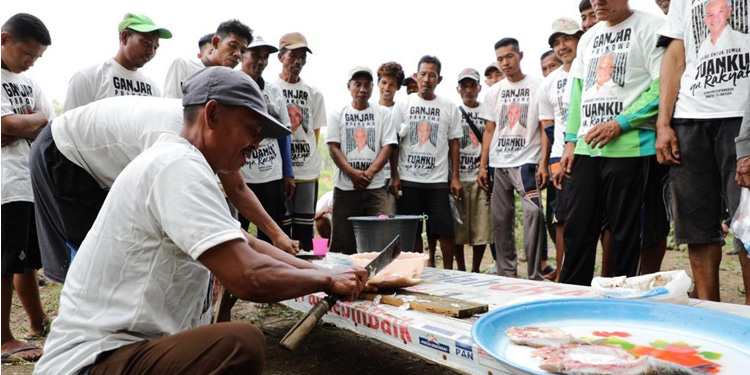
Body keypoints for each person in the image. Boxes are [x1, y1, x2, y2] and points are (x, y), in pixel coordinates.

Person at [33, 67, 366, 375]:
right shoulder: (177, 166)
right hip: (93, 361)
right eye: (252, 130)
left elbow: (248, 243)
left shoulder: (186, 165)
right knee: (239, 344)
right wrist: (326, 283)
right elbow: (247, 275)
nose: (256, 144)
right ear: (212, 114)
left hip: (127, 349)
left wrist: (325, 272)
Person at [559, 0, 664, 286]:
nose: (598, 2)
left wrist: (621, 123)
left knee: (623, 234)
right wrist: (571, 141)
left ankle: (617, 298)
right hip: (587, 148)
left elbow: (662, 85)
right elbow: (579, 90)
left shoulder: (652, 27)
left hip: (632, 147)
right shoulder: (589, 37)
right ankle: (571, 294)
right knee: (577, 228)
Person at [656, 0, 750, 303]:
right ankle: (710, 308)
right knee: (696, 224)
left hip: (742, 116)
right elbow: (674, 56)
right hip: (689, 119)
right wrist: (663, 122)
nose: (714, 17)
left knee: (748, 224)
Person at [1, 12, 52, 364]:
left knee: (27, 261)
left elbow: (46, 122)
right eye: (27, 53)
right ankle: (3, 339)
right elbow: (4, 126)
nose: (31, 63)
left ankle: (37, 321)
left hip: (28, 182)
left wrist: (19, 126)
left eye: (37, 57)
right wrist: (21, 124)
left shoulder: (31, 83)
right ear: (4, 39)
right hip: (5, 185)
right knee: (5, 263)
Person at [478, 38, 549, 281]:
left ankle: (535, 273)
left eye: (509, 56)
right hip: (499, 164)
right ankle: (507, 273)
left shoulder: (538, 86)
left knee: (533, 215)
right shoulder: (494, 92)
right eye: (500, 59)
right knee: (500, 220)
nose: (505, 63)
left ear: (520, 55)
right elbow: (489, 130)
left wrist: (543, 163)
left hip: (528, 162)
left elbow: (544, 126)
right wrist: (483, 165)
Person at [390, 55, 463, 268]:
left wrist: (455, 177)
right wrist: (395, 175)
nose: (427, 79)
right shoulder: (403, 104)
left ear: (439, 79)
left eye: (432, 75)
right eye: (423, 74)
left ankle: (449, 272)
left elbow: (454, 143)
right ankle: (416, 269)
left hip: (438, 180)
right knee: (412, 229)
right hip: (408, 178)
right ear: (416, 76)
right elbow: (394, 142)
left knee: (444, 229)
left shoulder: (449, 106)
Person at [327, 66, 397, 254]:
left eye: (367, 85)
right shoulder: (337, 113)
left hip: (375, 189)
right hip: (345, 189)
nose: (362, 89)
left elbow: (388, 146)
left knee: (383, 236)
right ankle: (343, 280)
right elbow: (333, 147)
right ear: (349, 86)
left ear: (373, 87)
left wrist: (369, 174)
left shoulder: (383, 114)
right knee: (342, 242)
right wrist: (352, 174)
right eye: (357, 84)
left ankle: (380, 280)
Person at [239, 35, 295, 244]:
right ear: (242, 54)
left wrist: (287, 173)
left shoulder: (273, 91)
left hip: (271, 173)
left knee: (274, 231)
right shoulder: (232, 85)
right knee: (238, 231)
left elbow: (284, 132)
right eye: (256, 55)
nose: (261, 61)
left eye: (265, 57)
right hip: (241, 174)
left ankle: (275, 275)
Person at [275, 32, 327, 251]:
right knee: (281, 227)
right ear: (280, 57)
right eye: (293, 55)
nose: (298, 61)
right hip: (277, 171)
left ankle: (307, 277)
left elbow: (314, 133)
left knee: (305, 230)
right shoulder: (271, 89)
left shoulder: (313, 93)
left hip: (306, 171)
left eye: (302, 56)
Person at [63, 13, 171, 112]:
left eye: (155, 47)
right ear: (125, 37)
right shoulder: (88, 78)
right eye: (146, 43)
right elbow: (68, 129)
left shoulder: (153, 89)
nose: (151, 52)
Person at [545, 18, 584, 282]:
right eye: (556, 43)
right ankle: (561, 273)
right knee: (562, 218)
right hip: (560, 154)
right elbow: (548, 125)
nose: (562, 47)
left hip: (590, 151)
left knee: (597, 219)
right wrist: (545, 162)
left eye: (567, 39)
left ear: (579, 39)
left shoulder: (590, 69)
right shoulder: (550, 82)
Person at [453, 68, 493, 273]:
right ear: (458, 89)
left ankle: (476, 269)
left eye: (472, 85)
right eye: (464, 86)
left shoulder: (487, 111)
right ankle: (460, 268)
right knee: (458, 229)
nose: (468, 90)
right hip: (459, 177)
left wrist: (484, 167)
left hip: (480, 177)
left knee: (481, 227)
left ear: (479, 87)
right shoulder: (454, 112)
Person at [163, 19, 252, 98]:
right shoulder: (184, 66)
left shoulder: (235, 82)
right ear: (216, 42)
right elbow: (171, 106)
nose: (238, 54)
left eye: (243, 51)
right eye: (233, 46)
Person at [376, 62, 405, 212]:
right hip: (374, 175)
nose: (387, 88)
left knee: (390, 217)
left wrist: (395, 175)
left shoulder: (400, 111)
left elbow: (397, 145)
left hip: (392, 175)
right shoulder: (371, 110)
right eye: (384, 82)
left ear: (398, 87)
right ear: (378, 83)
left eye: (392, 84)